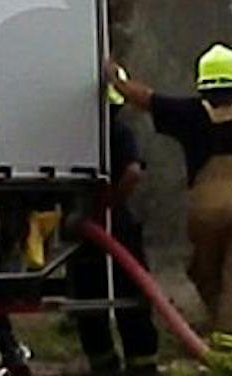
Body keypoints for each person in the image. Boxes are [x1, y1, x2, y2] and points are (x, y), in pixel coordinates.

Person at [102, 45, 232, 343]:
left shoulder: (191, 113)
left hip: (203, 211)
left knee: (206, 272)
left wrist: (114, 77)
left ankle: (228, 330)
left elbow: (146, 99)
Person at [72, 87, 161, 375]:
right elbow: (133, 172)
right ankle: (142, 363)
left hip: (85, 223)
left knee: (87, 293)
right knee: (131, 292)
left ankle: (104, 362)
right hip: (114, 223)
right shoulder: (120, 132)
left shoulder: (77, 135)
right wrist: (113, 201)